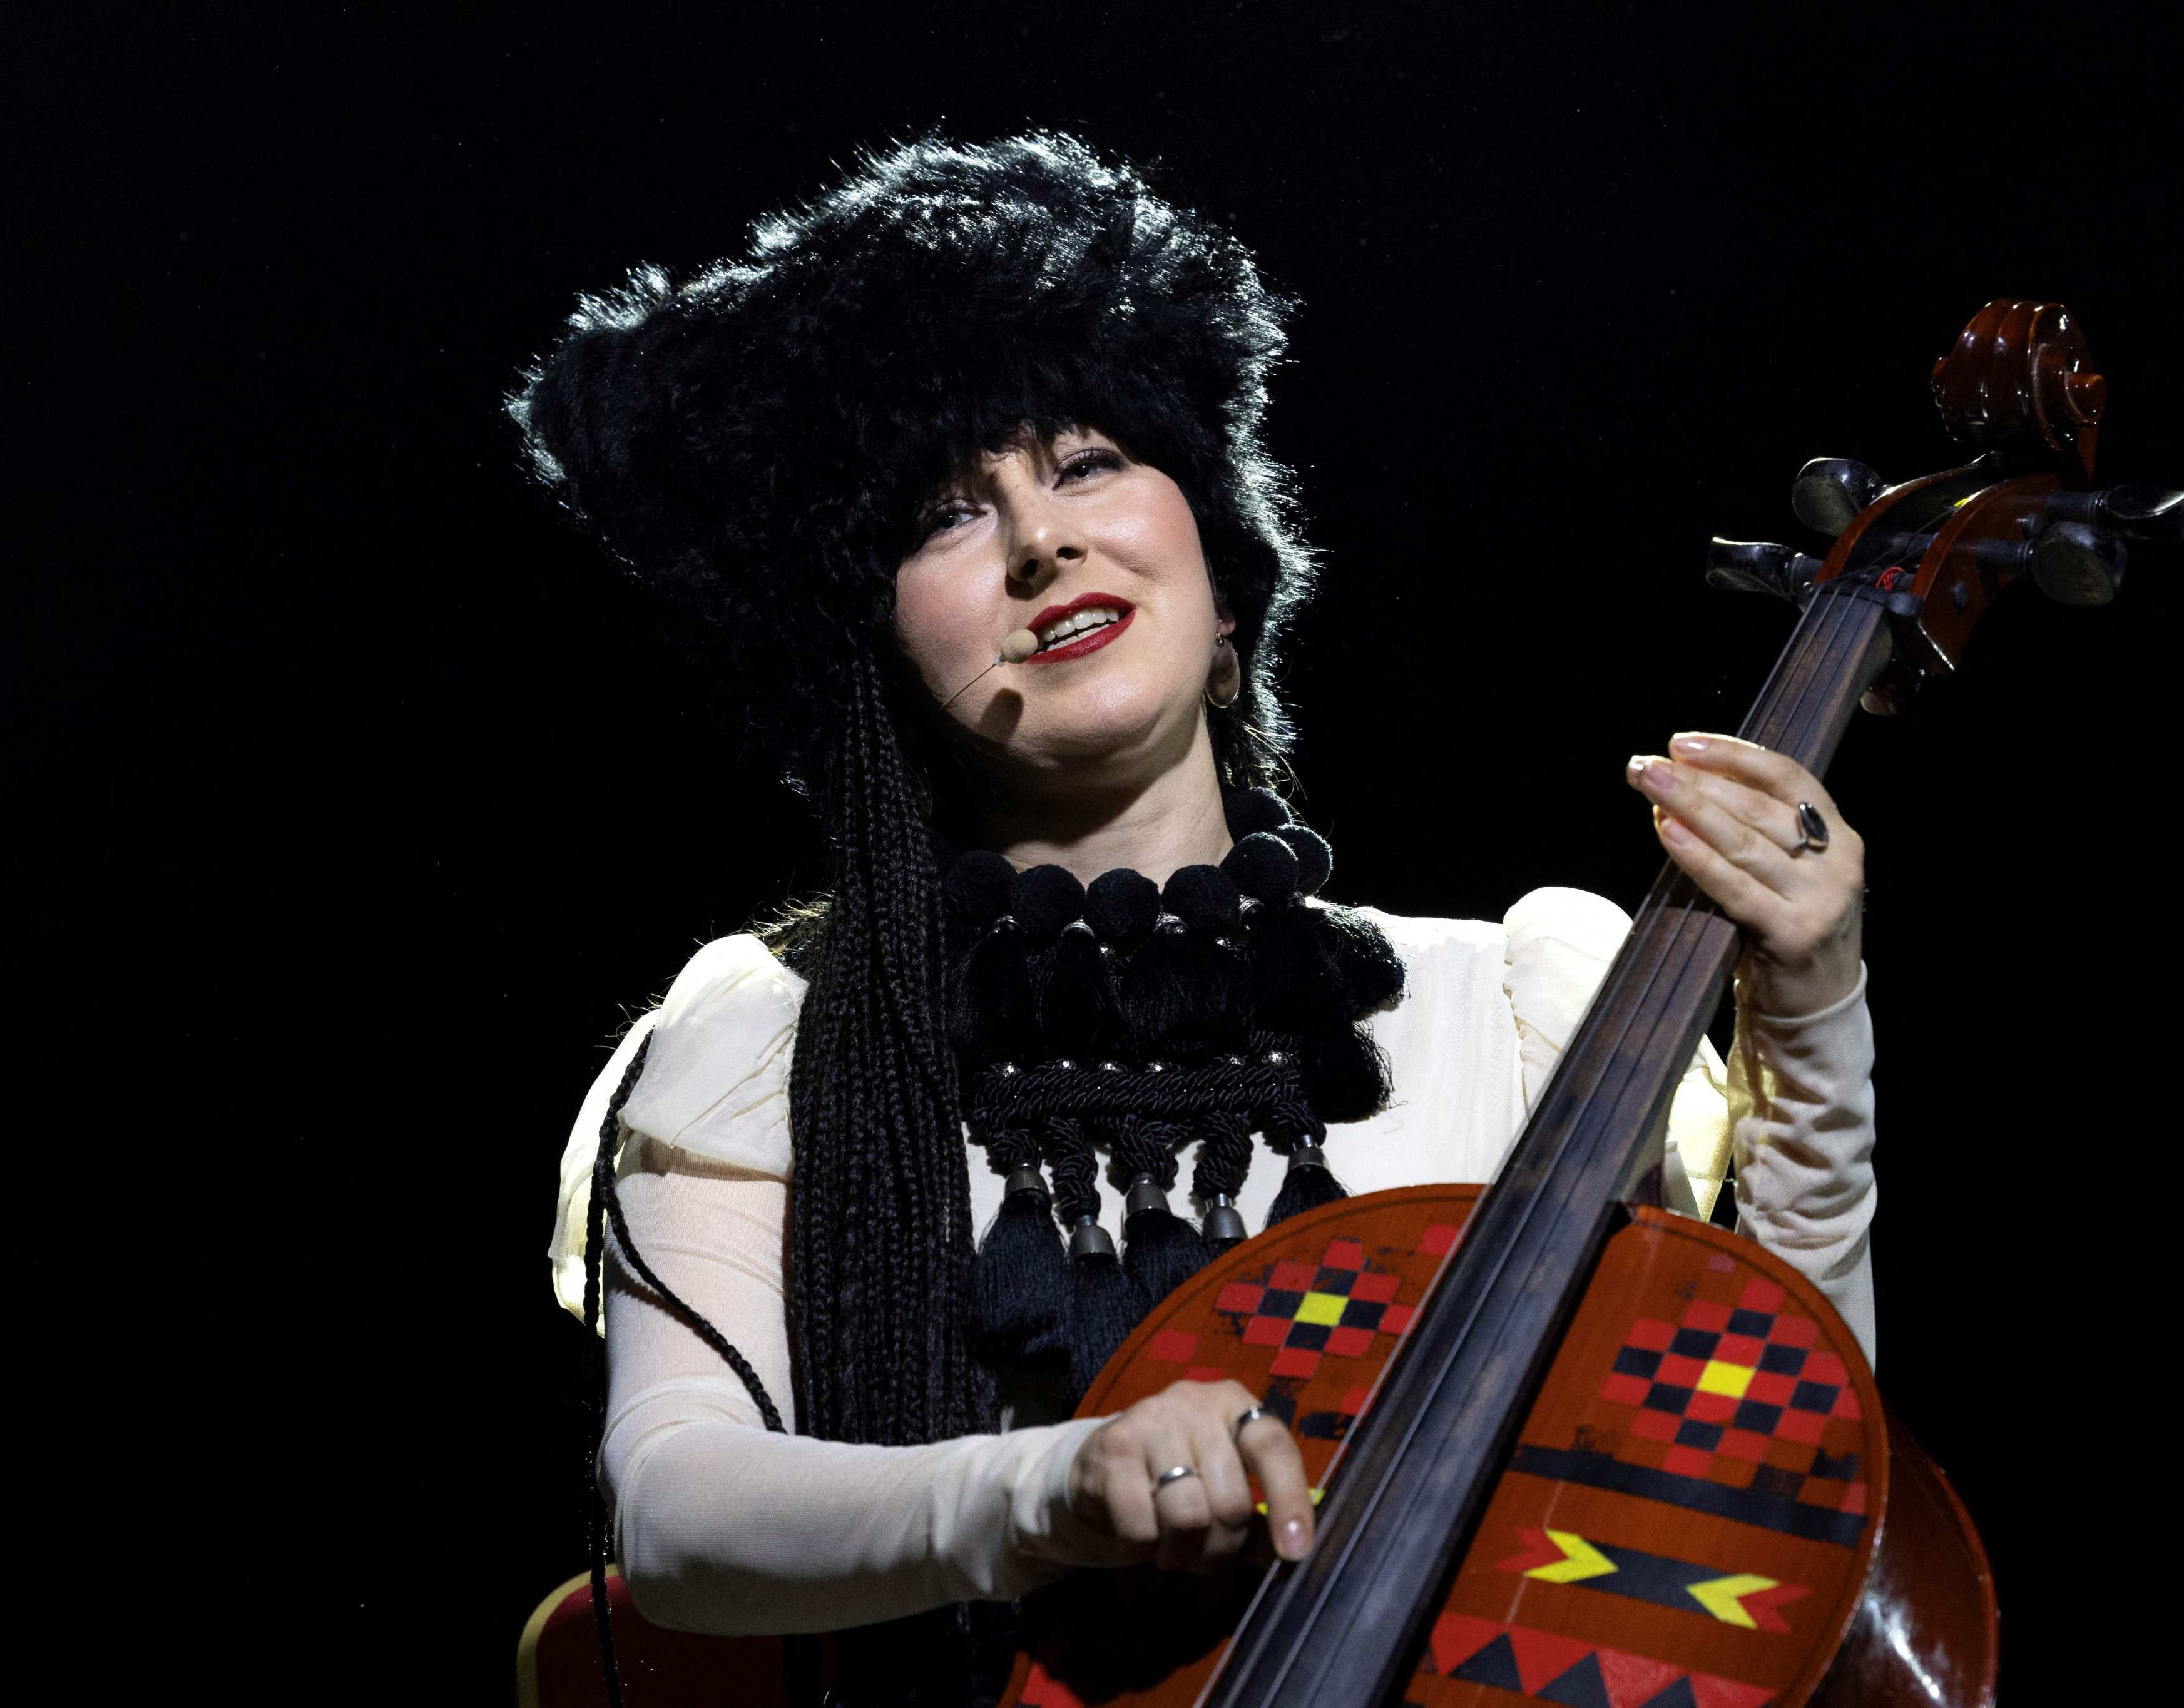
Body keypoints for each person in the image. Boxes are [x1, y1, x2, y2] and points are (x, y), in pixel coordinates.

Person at [513, 133, 1874, 1705]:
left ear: (1225, 589)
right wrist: (1043, 1491)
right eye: (945, 513)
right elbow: (677, 1512)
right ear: (874, 655)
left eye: (1085, 462)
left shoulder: (1511, 997)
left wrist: (1810, 1009)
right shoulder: (769, 1030)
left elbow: (1762, 1496)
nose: (1040, 540)